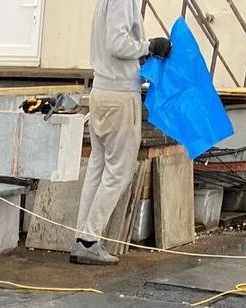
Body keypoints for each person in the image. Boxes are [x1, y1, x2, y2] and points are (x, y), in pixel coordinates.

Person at [70, 0, 171, 266]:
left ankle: (82, 238)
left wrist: (143, 52)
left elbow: (112, 42)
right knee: (119, 170)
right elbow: (118, 44)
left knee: (98, 166)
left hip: (102, 91)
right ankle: (89, 240)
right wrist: (149, 47)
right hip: (119, 95)